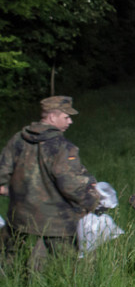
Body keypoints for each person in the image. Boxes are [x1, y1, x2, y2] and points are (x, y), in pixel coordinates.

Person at [0, 95, 100, 271]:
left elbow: (2, 171)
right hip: (56, 221)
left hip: (20, 216)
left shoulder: (18, 139)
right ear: (52, 117)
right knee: (65, 266)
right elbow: (69, 184)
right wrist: (92, 202)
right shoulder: (62, 146)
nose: (70, 122)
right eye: (66, 117)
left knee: (10, 262)